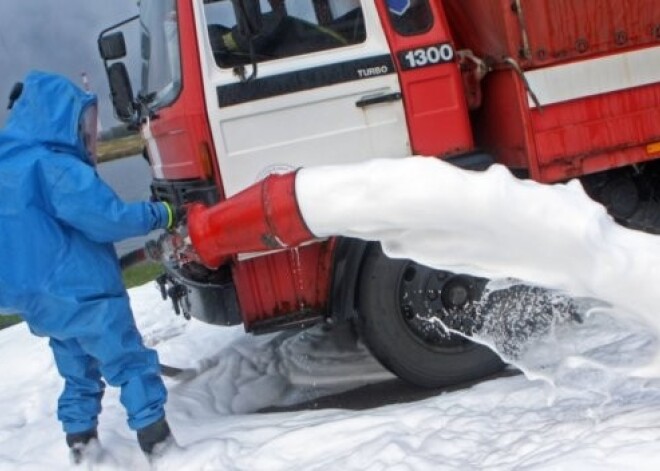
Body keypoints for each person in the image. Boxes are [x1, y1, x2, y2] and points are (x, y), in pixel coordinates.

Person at [0, 71, 181, 463]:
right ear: (58, 117)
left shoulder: (8, 168)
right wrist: (161, 213)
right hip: (84, 292)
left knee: (77, 371)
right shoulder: (55, 167)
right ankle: (161, 447)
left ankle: (81, 446)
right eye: (83, 123)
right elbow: (107, 217)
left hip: (41, 304)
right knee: (128, 361)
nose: (90, 135)